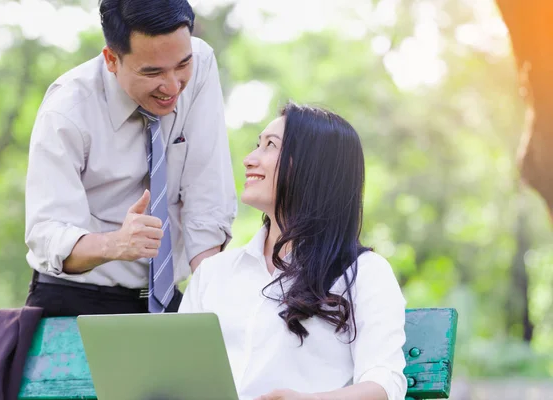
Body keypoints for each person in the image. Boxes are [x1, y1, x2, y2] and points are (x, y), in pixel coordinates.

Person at [179, 103, 407, 400]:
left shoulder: (364, 272)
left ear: (314, 165)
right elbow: (178, 376)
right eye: (256, 145)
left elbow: (384, 382)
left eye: (270, 146)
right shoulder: (214, 272)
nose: (249, 159)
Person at [24, 0, 236, 317]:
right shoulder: (67, 111)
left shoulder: (201, 63)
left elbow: (206, 190)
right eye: (152, 72)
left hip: (167, 301)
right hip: (76, 298)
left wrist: (211, 292)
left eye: (181, 65)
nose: (172, 86)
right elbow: (47, 233)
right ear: (112, 59)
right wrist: (117, 243)